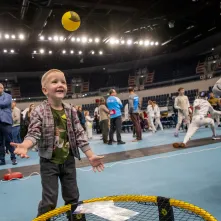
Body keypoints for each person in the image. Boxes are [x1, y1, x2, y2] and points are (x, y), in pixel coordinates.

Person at [10, 69, 104, 219]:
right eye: (55, 82)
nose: (60, 84)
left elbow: (80, 134)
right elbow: (34, 132)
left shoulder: (71, 110)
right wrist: (25, 145)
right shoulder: (39, 111)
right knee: (49, 200)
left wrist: (90, 155)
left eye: (63, 82)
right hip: (49, 163)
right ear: (45, 90)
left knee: (73, 197)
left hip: (68, 161)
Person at [0, 83, 17, 165]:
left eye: (1, 88)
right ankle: (2, 160)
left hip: (6, 121)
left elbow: (3, 104)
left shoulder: (8, 96)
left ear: (2, 88)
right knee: (0, 143)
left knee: (9, 141)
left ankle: (13, 158)